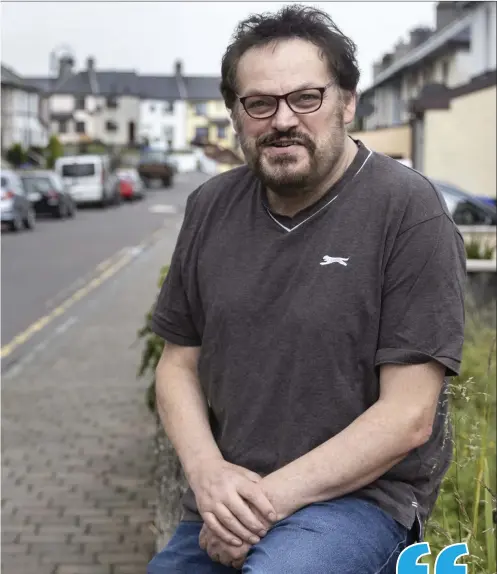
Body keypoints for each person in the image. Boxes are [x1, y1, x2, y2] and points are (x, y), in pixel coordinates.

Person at [147, 5, 466, 573]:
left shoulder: (407, 211)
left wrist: (257, 509)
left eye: (306, 98)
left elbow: (409, 415)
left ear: (347, 102)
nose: (282, 120)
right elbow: (177, 365)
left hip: (360, 501)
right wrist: (208, 475)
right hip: (228, 494)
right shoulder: (209, 207)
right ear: (236, 115)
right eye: (260, 103)